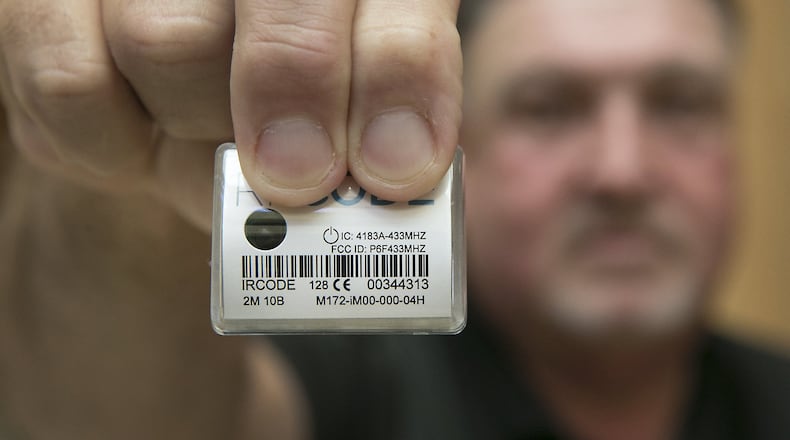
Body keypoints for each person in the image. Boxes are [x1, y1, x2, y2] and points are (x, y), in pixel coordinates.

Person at [274, 1, 790, 439]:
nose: (622, 171)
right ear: (451, 150)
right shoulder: (339, 388)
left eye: (680, 104)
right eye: (548, 108)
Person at [0, 1, 462, 438]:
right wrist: (129, 153)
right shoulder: (372, 367)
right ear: (471, 139)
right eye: (533, 107)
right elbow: (102, 423)